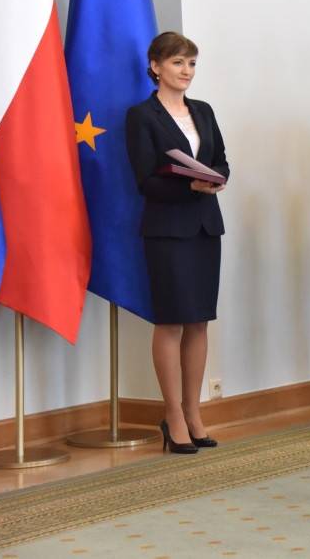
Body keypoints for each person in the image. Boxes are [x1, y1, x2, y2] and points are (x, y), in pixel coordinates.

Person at [125, 32, 229, 455]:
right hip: (167, 230)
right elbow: (145, 180)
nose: (186, 71)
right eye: (177, 63)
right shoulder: (141, 116)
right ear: (155, 67)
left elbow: (221, 159)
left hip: (205, 226)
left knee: (199, 321)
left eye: (191, 63)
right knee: (171, 322)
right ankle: (172, 416)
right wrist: (190, 185)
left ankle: (194, 412)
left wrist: (216, 179)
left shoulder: (203, 110)